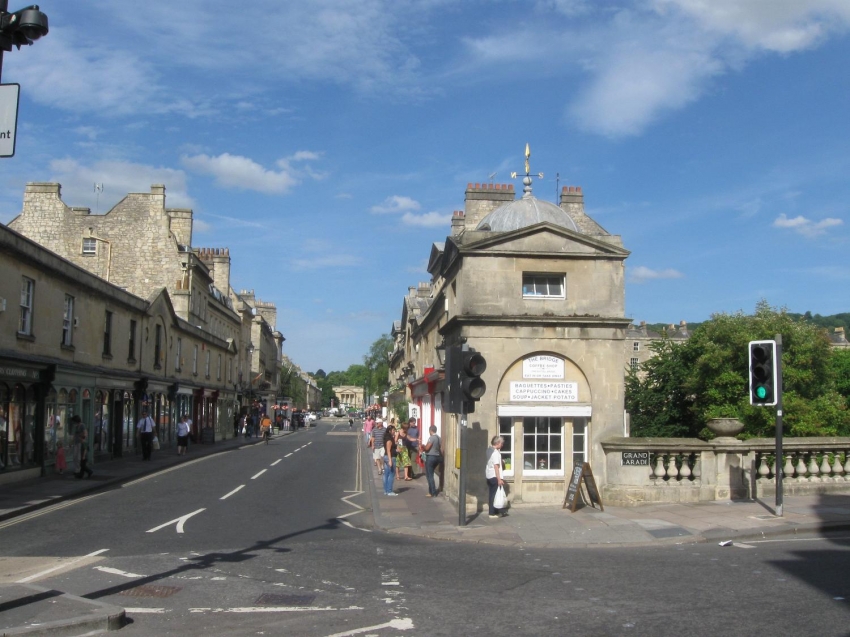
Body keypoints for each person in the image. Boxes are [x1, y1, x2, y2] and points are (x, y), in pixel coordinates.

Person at [485, 435, 506, 518]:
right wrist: (499, 479)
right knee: (494, 495)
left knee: (492, 494)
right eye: (501, 443)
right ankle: (492, 513)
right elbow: (496, 467)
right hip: (494, 476)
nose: (502, 445)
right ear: (497, 443)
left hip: (489, 475)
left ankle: (495, 511)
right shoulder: (495, 453)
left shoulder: (488, 450)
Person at [422, 425, 442, 497]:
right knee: (431, 474)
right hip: (437, 457)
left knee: (429, 475)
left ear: (430, 431)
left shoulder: (431, 438)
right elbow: (439, 447)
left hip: (430, 457)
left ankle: (432, 492)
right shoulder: (439, 438)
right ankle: (431, 491)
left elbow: (427, 448)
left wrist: (423, 446)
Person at [383, 425, 398, 496]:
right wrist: (390, 460)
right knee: (391, 474)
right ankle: (389, 491)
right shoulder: (389, 439)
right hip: (390, 457)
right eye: (393, 430)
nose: (394, 431)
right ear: (390, 431)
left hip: (386, 457)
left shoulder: (387, 437)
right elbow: (388, 450)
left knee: (386, 474)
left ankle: (386, 490)